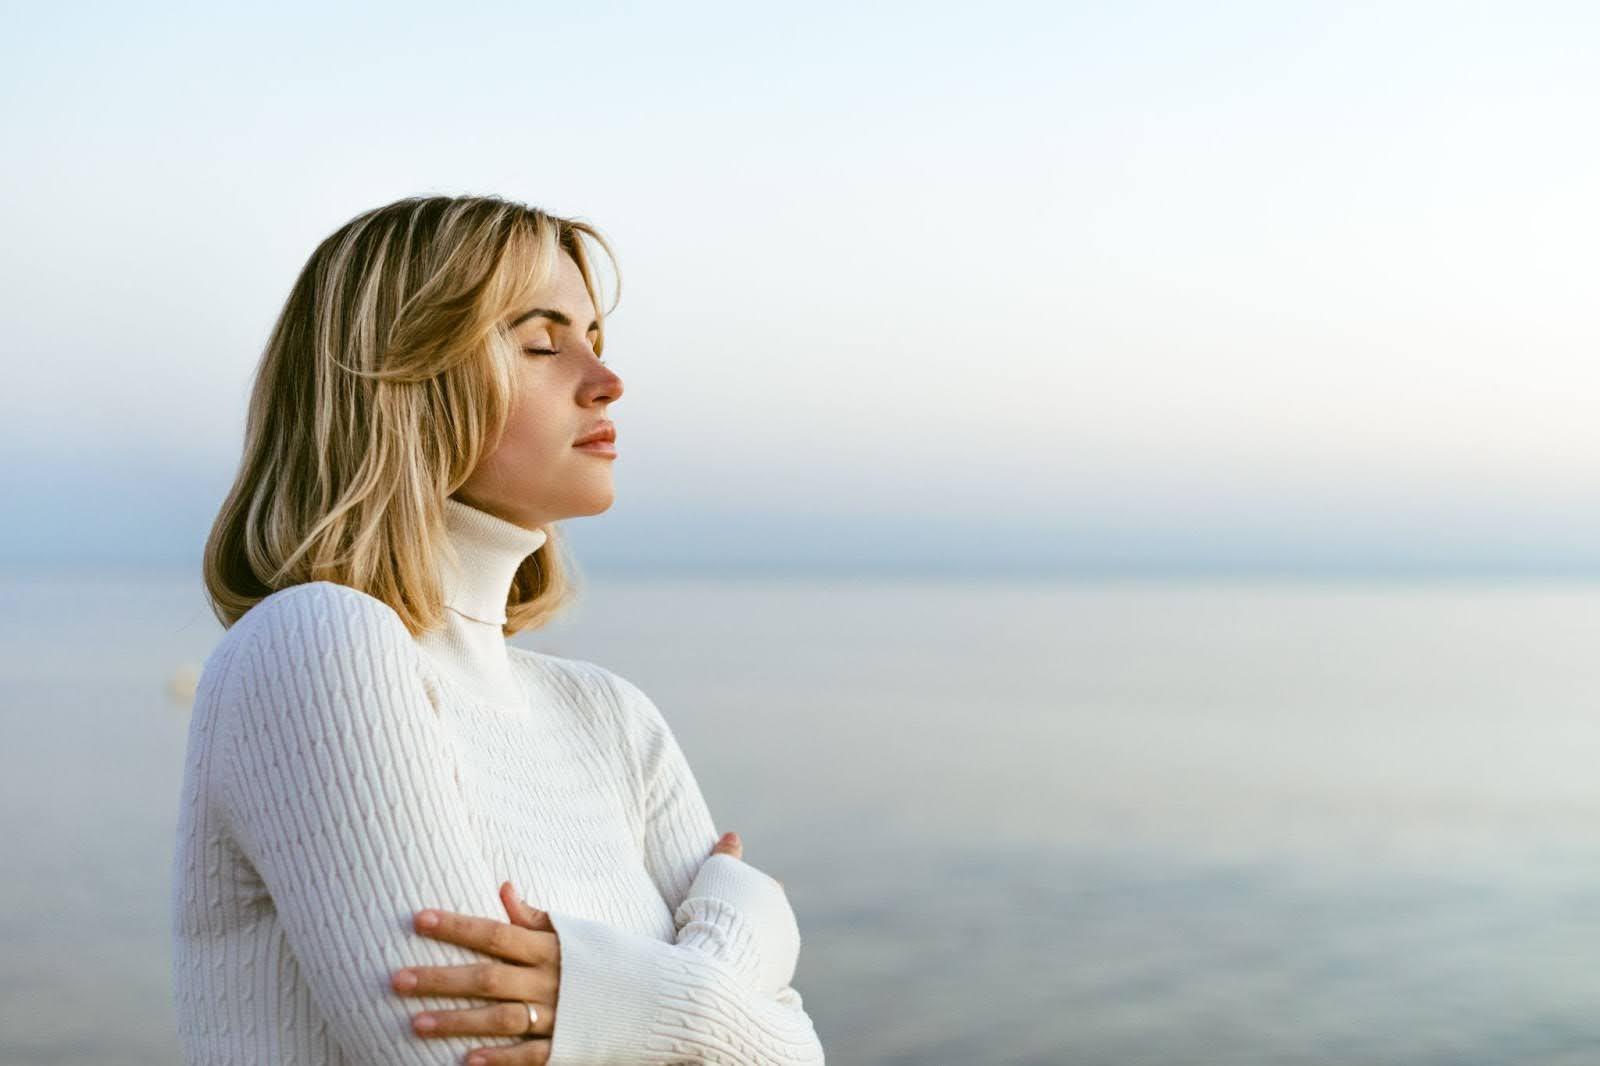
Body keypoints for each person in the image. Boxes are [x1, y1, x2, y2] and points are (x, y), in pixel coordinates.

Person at [170, 194, 824, 1065]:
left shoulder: (611, 717)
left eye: (596, 338)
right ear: (400, 374)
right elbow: (455, 1057)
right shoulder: (314, 645)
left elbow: (805, 1054)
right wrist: (739, 945)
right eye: (542, 343)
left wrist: (631, 1003)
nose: (605, 379)